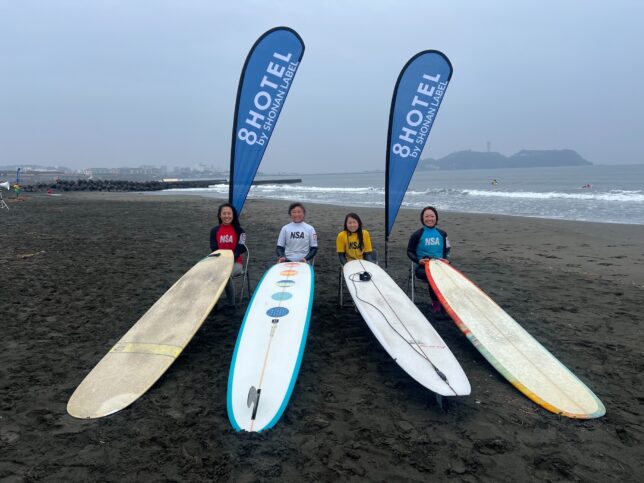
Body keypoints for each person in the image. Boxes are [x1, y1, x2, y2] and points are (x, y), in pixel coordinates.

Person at [407, 206, 450, 314]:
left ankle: (445, 302)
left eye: (432, 216)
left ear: (436, 218)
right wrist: (418, 261)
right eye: (426, 216)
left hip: (440, 264)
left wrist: (447, 260)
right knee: (435, 276)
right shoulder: (417, 235)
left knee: (449, 276)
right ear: (422, 218)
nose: (429, 219)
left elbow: (447, 250)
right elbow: (409, 252)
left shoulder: (443, 234)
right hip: (423, 266)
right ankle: (436, 304)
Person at [209, 203, 247, 306]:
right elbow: (214, 249)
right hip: (219, 262)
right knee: (208, 275)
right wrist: (221, 263)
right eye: (224, 213)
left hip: (236, 263)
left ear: (233, 215)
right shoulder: (214, 231)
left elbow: (238, 250)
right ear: (220, 215)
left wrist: (227, 262)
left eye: (229, 213)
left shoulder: (240, 231)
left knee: (225, 275)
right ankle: (212, 305)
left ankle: (231, 305)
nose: (227, 216)